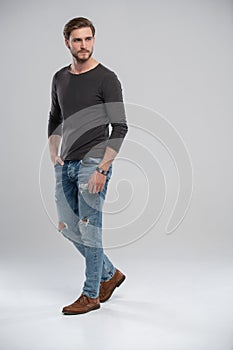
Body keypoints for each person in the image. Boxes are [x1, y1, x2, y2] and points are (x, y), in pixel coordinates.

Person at [48, 17, 128, 315]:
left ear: (93, 40)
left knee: (90, 230)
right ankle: (110, 274)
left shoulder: (107, 78)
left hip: (94, 162)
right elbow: (54, 117)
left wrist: (103, 169)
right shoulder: (59, 78)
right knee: (68, 227)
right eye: (77, 40)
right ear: (67, 42)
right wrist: (54, 154)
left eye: (88, 39)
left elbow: (120, 127)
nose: (83, 45)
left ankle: (90, 294)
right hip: (65, 162)